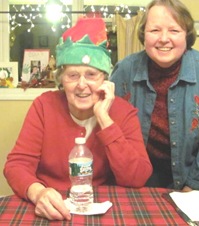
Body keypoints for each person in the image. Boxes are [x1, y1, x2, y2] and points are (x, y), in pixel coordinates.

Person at [4, 17, 152, 221]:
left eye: (91, 75)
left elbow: (137, 177)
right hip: (51, 206)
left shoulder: (123, 112)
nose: (82, 85)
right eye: (72, 75)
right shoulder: (44, 106)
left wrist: (104, 119)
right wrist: (38, 193)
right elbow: (17, 165)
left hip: (101, 209)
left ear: (105, 80)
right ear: (61, 81)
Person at [110, 0, 199, 195]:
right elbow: (110, 128)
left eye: (174, 31)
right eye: (155, 30)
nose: (164, 39)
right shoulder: (124, 70)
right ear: (144, 34)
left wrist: (192, 188)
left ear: (187, 35)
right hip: (135, 180)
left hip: (192, 178)